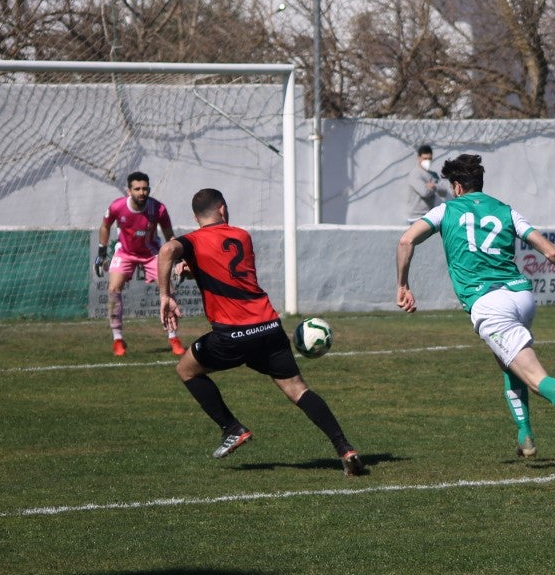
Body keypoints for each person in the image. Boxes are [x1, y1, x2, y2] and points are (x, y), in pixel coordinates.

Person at [395, 153, 555, 463]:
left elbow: (406, 241)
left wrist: (403, 285)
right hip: (521, 296)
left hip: (489, 303)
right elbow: (551, 252)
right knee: (507, 362)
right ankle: (525, 435)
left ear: (458, 186)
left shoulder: (445, 210)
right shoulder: (505, 211)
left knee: (534, 377)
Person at [157, 188, 365, 476]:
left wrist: (165, 295)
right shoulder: (242, 236)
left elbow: (167, 250)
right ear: (223, 210)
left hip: (231, 336)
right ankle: (345, 448)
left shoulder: (192, 240)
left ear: (195, 218)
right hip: (268, 328)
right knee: (298, 390)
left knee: (187, 370)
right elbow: (225, 267)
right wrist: (192, 269)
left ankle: (232, 428)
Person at [95, 171, 184, 357]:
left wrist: (178, 256)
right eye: (137, 189)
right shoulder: (117, 207)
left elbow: (169, 234)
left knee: (167, 290)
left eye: (145, 188)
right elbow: (105, 226)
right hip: (125, 252)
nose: (142, 192)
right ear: (129, 191)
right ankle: (117, 339)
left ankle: (173, 337)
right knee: (113, 290)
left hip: (151, 253)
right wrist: (102, 252)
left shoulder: (158, 209)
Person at [405, 143, 450, 223]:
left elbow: (444, 192)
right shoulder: (415, 174)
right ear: (419, 158)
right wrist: (435, 187)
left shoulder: (434, 174)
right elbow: (424, 193)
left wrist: (433, 186)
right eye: (425, 158)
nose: (427, 161)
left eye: (429, 159)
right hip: (416, 217)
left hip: (429, 215)